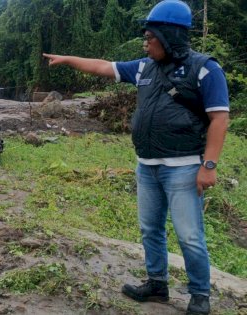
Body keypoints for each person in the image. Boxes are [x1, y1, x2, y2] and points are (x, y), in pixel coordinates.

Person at [43, 1, 229, 314]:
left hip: (184, 168)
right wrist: (68, 59)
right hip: (147, 167)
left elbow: (220, 119)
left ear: (169, 36)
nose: (146, 43)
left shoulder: (205, 68)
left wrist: (209, 166)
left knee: (189, 235)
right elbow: (105, 66)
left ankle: (200, 295)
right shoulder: (144, 67)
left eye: (150, 37)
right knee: (150, 230)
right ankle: (157, 284)